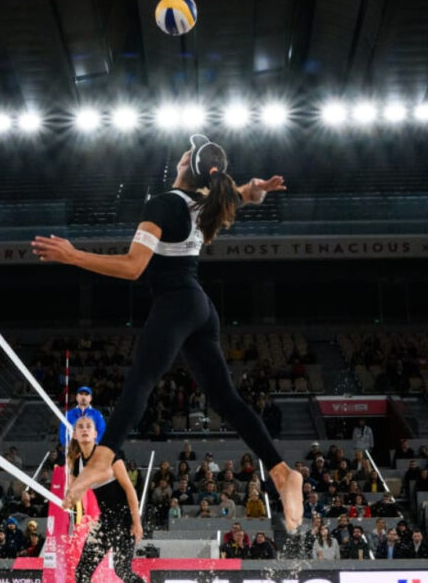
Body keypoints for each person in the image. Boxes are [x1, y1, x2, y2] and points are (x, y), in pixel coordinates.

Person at [33, 137, 302, 531]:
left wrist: (73, 256)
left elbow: (132, 267)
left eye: (185, 152)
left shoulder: (163, 203)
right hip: (201, 309)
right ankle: (281, 472)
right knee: (225, 399)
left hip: (176, 304)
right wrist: (255, 190)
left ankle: (103, 460)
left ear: (185, 164)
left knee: (140, 383)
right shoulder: (206, 199)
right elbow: (238, 194)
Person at [68, 416, 144, 583]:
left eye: (88, 426)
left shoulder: (109, 455)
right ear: (74, 435)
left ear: (95, 434)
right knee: (82, 573)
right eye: (80, 427)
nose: (85, 429)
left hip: (124, 517)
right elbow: (73, 496)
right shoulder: (78, 463)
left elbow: (130, 490)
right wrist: (70, 495)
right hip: (106, 519)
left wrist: (136, 522)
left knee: (122, 570)